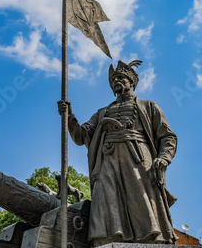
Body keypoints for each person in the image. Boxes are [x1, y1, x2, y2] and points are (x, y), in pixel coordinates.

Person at [57, 60, 178, 246]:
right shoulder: (102, 112)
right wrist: (69, 117)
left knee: (141, 201)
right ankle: (105, 239)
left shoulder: (149, 106)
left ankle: (150, 239)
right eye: (114, 79)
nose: (117, 81)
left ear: (132, 82)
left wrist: (164, 157)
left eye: (121, 78)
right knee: (104, 198)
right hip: (107, 158)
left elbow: (167, 137)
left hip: (138, 157)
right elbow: (80, 137)